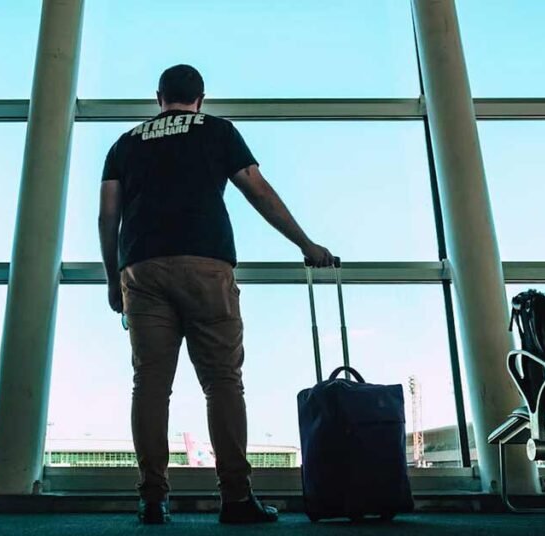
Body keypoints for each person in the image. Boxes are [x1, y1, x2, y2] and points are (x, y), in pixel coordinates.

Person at [98, 64, 335, 525]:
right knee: (223, 382)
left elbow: (108, 216)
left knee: (150, 385)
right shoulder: (218, 131)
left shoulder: (124, 143)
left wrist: (113, 278)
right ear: (200, 99)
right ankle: (236, 497)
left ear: (158, 98)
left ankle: (151, 498)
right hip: (206, 264)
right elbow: (258, 191)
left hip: (142, 269)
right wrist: (306, 244)